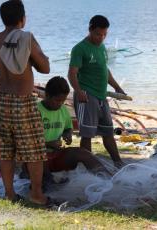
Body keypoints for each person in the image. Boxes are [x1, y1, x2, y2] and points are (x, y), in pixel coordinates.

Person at [0, 0, 49, 205]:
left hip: (2, 100)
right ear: (22, 19)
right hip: (22, 101)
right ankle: (37, 194)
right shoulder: (27, 38)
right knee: (34, 151)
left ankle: (9, 194)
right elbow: (45, 68)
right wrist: (37, 57)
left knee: (5, 151)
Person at [68, 15, 125, 168]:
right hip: (86, 95)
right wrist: (78, 91)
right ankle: (89, 166)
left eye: (105, 34)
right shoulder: (79, 48)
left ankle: (118, 162)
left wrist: (117, 87)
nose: (101, 38)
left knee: (108, 132)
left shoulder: (102, 47)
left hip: (102, 96)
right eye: (98, 34)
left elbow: (105, 70)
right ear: (90, 30)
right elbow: (72, 73)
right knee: (87, 134)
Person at [37, 76, 111, 178]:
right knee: (40, 158)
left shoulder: (63, 109)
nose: (60, 104)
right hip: (37, 157)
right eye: (57, 100)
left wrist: (67, 134)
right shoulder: (36, 111)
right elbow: (25, 142)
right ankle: (46, 179)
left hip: (56, 155)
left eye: (62, 101)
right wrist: (48, 144)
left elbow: (68, 128)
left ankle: (107, 178)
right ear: (47, 96)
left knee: (83, 153)